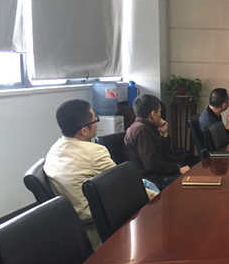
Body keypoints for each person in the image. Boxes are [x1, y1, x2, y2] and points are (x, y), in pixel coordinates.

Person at [44, 99, 157, 248]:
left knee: (145, 183)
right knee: (153, 197)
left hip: (73, 224)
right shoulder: (94, 152)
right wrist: (160, 199)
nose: (97, 123)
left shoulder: (53, 150)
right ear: (84, 130)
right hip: (99, 224)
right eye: (95, 119)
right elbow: (127, 187)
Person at [124, 94, 189, 190]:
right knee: (190, 182)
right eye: (159, 112)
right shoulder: (141, 130)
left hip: (157, 175)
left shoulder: (145, 127)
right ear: (153, 114)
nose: (160, 115)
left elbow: (163, 155)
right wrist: (177, 168)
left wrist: (164, 134)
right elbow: (152, 165)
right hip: (151, 180)